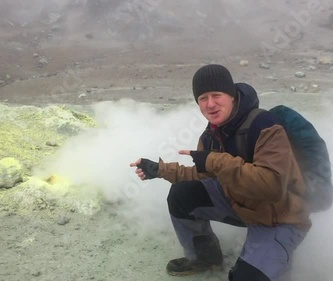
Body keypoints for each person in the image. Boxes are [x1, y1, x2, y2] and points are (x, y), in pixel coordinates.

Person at [130, 64, 311, 281]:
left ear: (232, 96)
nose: (210, 104)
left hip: (279, 217)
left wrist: (215, 160)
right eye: (203, 98)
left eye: (217, 95)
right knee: (182, 194)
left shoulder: (264, 125)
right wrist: (160, 170)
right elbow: (202, 175)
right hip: (241, 205)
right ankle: (205, 258)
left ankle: (277, 255)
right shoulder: (211, 136)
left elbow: (272, 187)